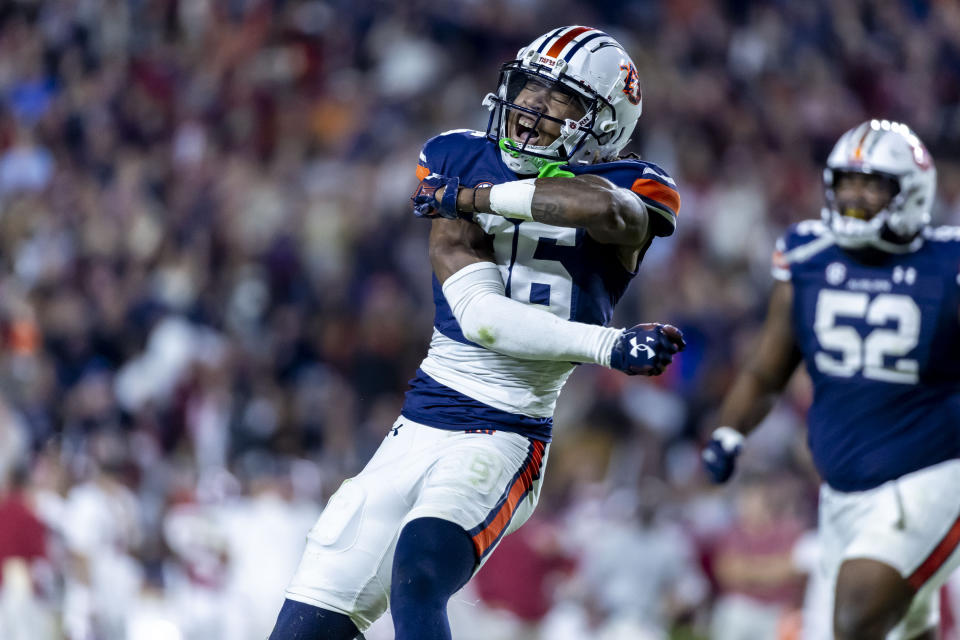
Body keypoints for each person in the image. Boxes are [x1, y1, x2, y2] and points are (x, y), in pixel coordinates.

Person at [270, 26, 685, 640]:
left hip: (507, 431)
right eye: (531, 87)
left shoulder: (633, 184)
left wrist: (478, 197)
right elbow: (483, 320)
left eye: (560, 97)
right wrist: (609, 346)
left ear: (603, 122)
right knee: (306, 624)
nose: (534, 106)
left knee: (419, 572)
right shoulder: (456, 156)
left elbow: (604, 211)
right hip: (419, 423)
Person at [702, 119, 960, 640]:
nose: (856, 195)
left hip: (934, 473)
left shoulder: (948, 264)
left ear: (910, 192)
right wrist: (730, 431)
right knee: (907, 629)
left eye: (872, 184)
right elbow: (768, 365)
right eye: (846, 182)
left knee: (854, 618)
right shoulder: (807, 255)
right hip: (843, 488)